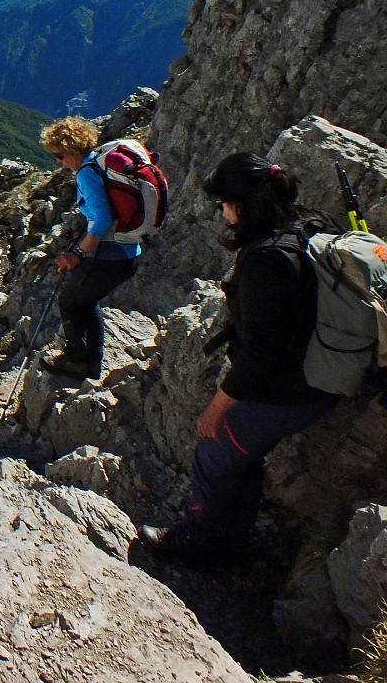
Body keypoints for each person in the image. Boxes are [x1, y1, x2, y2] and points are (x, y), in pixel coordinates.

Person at [139, 152, 338, 565]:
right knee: (241, 455)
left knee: (214, 449)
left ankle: (200, 543)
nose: (223, 212)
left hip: (293, 389)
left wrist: (216, 409)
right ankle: (231, 539)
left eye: (225, 203)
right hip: (323, 371)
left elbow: (259, 358)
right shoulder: (306, 225)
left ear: (244, 204)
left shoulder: (265, 259)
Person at [39, 117, 140, 380]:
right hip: (127, 253)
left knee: (69, 300)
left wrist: (78, 254)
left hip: (109, 255)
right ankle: (92, 362)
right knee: (86, 299)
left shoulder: (86, 173)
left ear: (72, 150)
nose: (59, 162)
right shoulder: (100, 162)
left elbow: (103, 218)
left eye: (60, 155)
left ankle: (76, 360)